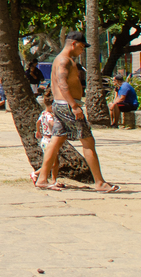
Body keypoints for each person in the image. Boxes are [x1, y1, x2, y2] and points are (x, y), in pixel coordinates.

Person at [34, 32, 118, 193]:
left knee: (56, 140)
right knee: (88, 142)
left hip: (60, 104)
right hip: (67, 105)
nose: (82, 50)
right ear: (73, 44)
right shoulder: (65, 60)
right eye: (81, 47)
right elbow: (62, 83)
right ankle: (99, 182)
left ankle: (42, 179)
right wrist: (74, 106)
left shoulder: (60, 59)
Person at [32, 86, 63, 189]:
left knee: (54, 161)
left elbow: (38, 122)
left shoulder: (43, 113)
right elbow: (50, 123)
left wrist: (38, 131)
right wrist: (55, 128)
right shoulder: (50, 115)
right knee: (52, 161)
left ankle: (54, 179)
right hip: (49, 139)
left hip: (44, 138)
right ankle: (37, 173)